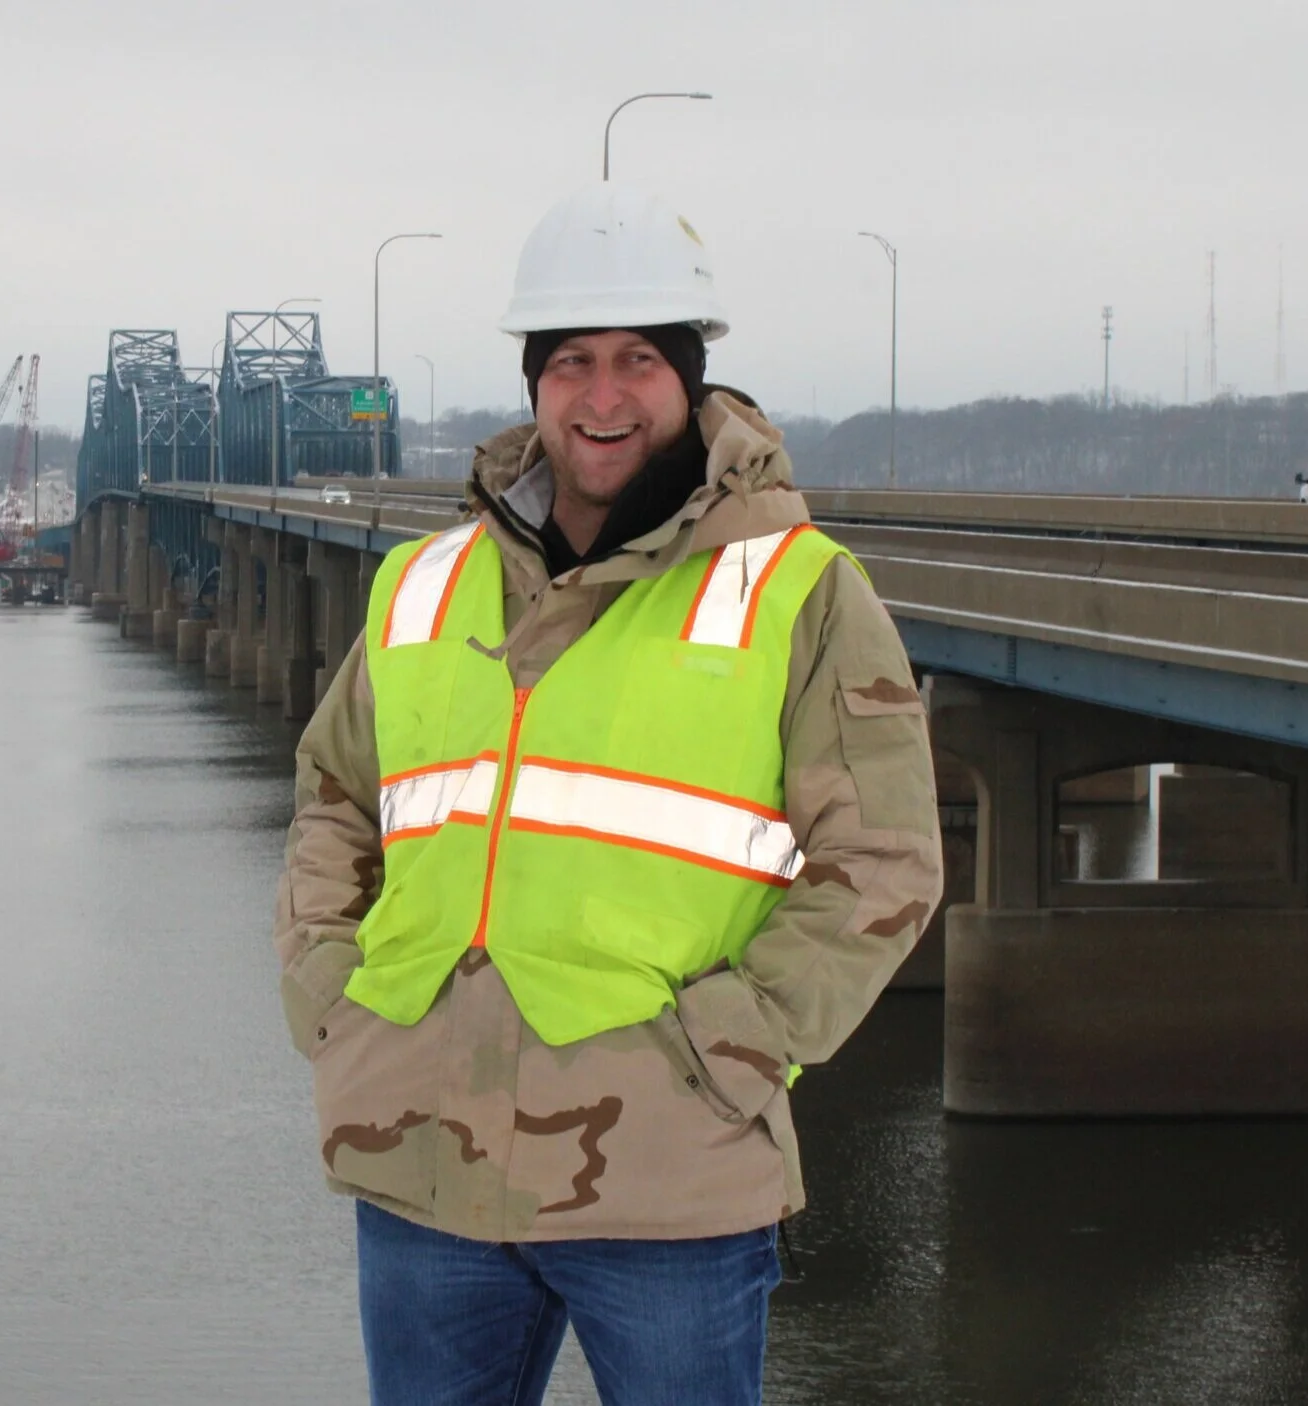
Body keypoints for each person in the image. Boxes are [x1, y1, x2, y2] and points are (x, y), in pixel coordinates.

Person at [273, 183, 944, 1406]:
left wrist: (724, 1050)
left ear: (690, 381)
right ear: (533, 382)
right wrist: (331, 992)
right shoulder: (423, 583)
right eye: (572, 359)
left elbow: (885, 863)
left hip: (665, 1175)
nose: (602, 394)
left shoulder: (796, 589)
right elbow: (334, 796)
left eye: (639, 359)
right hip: (418, 1160)